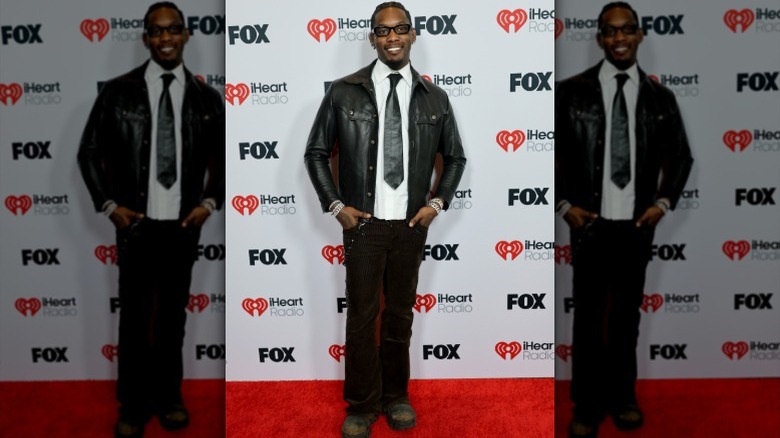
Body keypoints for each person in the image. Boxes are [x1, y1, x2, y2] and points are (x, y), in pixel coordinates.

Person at [304, 2, 466, 437]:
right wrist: (337, 207)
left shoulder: (436, 97)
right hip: (365, 225)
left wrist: (437, 205)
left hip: (411, 227)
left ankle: (396, 398)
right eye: (383, 31)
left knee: (399, 317)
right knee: (360, 317)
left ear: (414, 35)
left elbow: (455, 158)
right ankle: (360, 404)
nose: (392, 38)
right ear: (372, 37)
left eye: (400, 30)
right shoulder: (344, 91)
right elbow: (316, 153)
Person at [77, 2, 225, 437]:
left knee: (172, 320)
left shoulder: (205, 98)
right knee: (135, 320)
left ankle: (169, 398)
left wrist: (210, 203)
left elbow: (221, 159)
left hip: (182, 228)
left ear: (186, 35)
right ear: (145, 38)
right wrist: (110, 206)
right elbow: (88, 152)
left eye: (173, 30)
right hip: (136, 227)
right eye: (156, 31)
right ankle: (132, 405)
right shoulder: (118, 92)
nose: (165, 38)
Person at [555, 2, 693, 437]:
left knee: (626, 320)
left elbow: (682, 158)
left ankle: (623, 398)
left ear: (639, 36)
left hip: (635, 228)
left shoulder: (659, 97)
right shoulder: (570, 92)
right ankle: (586, 406)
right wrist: (564, 207)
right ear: (598, 38)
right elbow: (552, 157)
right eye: (610, 31)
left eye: (626, 30)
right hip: (590, 226)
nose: (618, 38)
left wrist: (663, 203)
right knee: (589, 319)